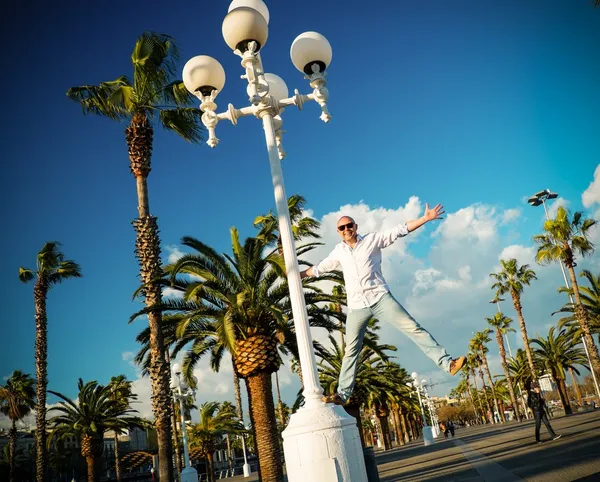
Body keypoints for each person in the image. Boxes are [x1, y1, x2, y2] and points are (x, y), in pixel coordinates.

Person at [300, 205, 466, 405]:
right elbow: (320, 268)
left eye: (349, 225)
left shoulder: (371, 240)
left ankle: (448, 364)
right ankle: (342, 395)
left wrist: (425, 218)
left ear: (355, 226)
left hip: (380, 298)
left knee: (413, 328)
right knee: (351, 350)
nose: (346, 230)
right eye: (342, 228)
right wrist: (298, 275)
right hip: (356, 307)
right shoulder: (338, 252)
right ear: (338, 232)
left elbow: (398, 231)